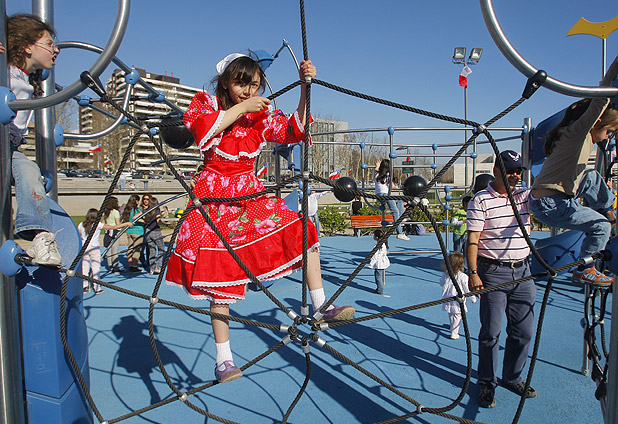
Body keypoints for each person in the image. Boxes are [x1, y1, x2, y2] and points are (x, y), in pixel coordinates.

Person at [164, 54, 355, 384]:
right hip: (215, 196)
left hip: (248, 193)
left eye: (253, 85)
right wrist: (241, 109)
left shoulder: (260, 114)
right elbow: (203, 133)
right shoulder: (205, 102)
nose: (247, 91)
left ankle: (321, 304)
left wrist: (305, 89)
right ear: (225, 81)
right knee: (219, 278)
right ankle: (223, 359)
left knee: (302, 229)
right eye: (241, 83)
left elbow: (293, 129)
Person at [530, 55, 618, 286]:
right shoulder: (579, 132)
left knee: (590, 176)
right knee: (601, 226)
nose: (609, 137)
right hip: (553, 204)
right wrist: (614, 68)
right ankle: (585, 269)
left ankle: (609, 208)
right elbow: (601, 98)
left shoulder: (571, 135)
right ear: (597, 122)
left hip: (551, 199)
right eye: (610, 131)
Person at [466, 150, 537, 409]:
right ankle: (486, 381)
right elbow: (473, 239)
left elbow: (550, 190)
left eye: (518, 170)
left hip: (524, 272)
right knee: (491, 332)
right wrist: (473, 273)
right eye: (509, 170)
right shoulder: (481, 200)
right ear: (496, 170)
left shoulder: (525, 195)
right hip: (493, 272)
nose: (515, 175)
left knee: (523, 332)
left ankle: (512, 376)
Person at [6, 15, 61, 265]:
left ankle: (39, 235)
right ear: (28, 46)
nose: (56, 49)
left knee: (29, 171)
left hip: (9, 147)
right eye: (49, 43)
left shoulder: (28, 79)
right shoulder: (4, 69)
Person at [78, 208, 133, 294]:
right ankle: (97, 287)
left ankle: (84, 286)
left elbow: (79, 235)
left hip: (85, 247)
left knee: (84, 267)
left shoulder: (81, 224)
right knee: (95, 267)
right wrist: (126, 224)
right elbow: (113, 227)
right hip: (94, 247)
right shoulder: (97, 224)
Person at [439, 251, 476, 339]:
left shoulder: (446, 274)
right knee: (457, 315)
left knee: (451, 313)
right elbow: (466, 289)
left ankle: (452, 326)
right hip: (458, 299)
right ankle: (454, 332)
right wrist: (472, 297)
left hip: (447, 297)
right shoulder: (463, 276)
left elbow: (441, 283)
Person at [375, 159, 409, 241]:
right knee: (395, 211)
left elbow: (376, 169)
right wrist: (400, 187)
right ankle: (400, 232)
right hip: (386, 196)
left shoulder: (377, 174)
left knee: (399, 200)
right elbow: (393, 187)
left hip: (381, 197)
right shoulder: (388, 175)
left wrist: (378, 165)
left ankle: (399, 220)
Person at [142, 196, 165, 274]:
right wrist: (164, 224)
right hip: (156, 232)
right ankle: (157, 267)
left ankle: (151, 268)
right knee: (161, 249)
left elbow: (136, 217)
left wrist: (144, 221)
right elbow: (158, 221)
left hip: (147, 232)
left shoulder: (146, 210)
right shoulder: (156, 211)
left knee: (152, 250)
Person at [121, 195, 144, 273]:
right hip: (138, 231)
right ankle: (134, 266)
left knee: (130, 248)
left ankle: (130, 265)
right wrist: (144, 218)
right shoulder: (136, 210)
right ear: (136, 201)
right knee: (137, 249)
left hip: (129, 231)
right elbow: (135, 218)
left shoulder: (127, 210)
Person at [102, 196, 124, 273]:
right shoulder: (115, 212)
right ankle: (116, 267)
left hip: (108, 231)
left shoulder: (105, 211)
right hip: (115, 231)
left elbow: (103, 222)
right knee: (115, 250)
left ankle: (110, 266)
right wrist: (124, 223)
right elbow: (117, 224)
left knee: (109, 250)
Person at [368, 229, 390, 295]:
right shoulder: (384, 244)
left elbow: (375, 257)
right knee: (381, 275)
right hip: (384, 262)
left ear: (377, 237)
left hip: (379, 264)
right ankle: (381, 286)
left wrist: (371, 265)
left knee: (378, 277)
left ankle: (380, 289)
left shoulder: (377, 246)